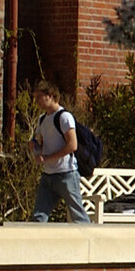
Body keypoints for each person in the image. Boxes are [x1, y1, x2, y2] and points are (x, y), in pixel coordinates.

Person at [30, 83, 91, 223]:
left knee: (78, 216)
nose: (37, 101)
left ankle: (89, 236)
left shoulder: (64, 117)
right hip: (48, 175)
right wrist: (35, 146)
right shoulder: (42, 119)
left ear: (50, 96)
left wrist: (48, 158)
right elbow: (41, 141)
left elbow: (72, 145)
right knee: (38, 217)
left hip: (66, 174)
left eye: (39, 97)